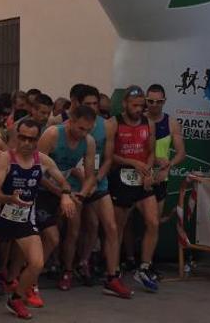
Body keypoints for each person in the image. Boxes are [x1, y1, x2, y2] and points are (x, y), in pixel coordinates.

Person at [0, 119, 77, 320]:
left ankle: (16, 298)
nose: (26, 143)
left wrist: (65, 196)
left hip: (25, 220)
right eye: (22, 138)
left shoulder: (43, 161)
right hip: (2, 216)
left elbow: (64, 183)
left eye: (31, 139)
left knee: (36, 263)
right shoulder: (6, 159)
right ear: (16, 137)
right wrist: (10, 198)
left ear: (37, 140)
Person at [71, 84, 131, 298]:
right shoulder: (64, 125)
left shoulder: (106, 126)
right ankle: (69, 268)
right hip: (74, 182)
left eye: (96, 103)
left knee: (110, 227)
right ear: (77, 104)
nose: (93, 108)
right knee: (76, 229)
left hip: (99, 182)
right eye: (88, 104)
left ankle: (112, 277)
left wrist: (97, 177)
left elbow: (108, 158)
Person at [35, 105, 97, 293]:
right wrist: (62, 193)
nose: (83, 133)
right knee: (38, 236)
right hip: (41, 190)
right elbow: (36, 171)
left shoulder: (89, 141)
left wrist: (82, 194)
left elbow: (90, 175)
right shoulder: (52, 134)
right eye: (80, 128)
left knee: (72, 229)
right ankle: (29, 273)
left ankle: (66, 270)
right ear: (70, 122)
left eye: (88, 129)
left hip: (64, 190)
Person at [108, 85, 159, 293]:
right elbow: (109, 157)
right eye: (135, 105)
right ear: (125, 104)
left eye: (141, 105)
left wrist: (147, 169)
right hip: (121, 178)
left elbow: (151, 152)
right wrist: (131, 162)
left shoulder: (149, 123)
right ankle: (114, 268)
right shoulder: (114, 124)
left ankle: (144, 267)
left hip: (142, 179)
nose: (139, 109)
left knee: (153, 222)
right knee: (119, 227)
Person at [144, 84, 186, 218]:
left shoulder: (171, 123)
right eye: (150, 101)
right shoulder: (139, 120)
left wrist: (168, 167)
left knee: (154, 222)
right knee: (127, 222)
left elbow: (181, 153)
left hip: (160, 175)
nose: (154, 105)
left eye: (159, 102)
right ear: (146, 100)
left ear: (164, 101)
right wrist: (155, 160)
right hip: (139, 172)